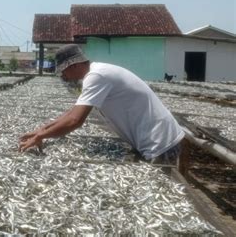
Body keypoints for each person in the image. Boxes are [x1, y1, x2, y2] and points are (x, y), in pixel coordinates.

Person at [19, 44, 185, 165]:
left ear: (74, 65)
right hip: (154, 139)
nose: (63, 75)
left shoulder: (96, 76)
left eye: (63, 70)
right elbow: (72, 112)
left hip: (160, 143)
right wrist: (42, 130)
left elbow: (75, 121)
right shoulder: (97, 72)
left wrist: (41, 137)